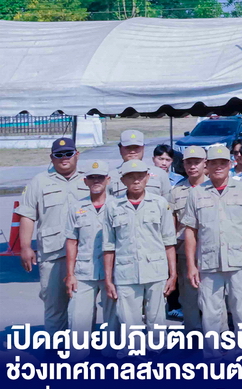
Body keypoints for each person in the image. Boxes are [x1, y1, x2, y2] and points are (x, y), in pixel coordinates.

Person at [181, 146, 242, 359]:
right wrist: (191, 265)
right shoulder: (196, 193)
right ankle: (213, 354)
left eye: (223, 163)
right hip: (209, 262)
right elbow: (190, 231)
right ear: (206, 166)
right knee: (210, 312)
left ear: (231, 164)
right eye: (214, 163)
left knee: (241, 310)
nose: (218, 167)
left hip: (239, 260)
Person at [18, 137, 89, 333]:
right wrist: (25, 247)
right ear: (52, 158)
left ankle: (82, 345)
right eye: (59, 155)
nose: (64, 158)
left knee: (83, 306)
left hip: (85, 253)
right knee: (54, 306)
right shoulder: (39, 182)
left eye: (68, 153)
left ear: (77, 155)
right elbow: (27, 215)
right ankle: (55, 346)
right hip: (53, 254)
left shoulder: (89, 179)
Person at [102, 160, 177, 343]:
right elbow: (109, 246)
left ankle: (156, 352)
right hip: (126, 272)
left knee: (156, 319)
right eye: (131, 177)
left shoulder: (160, 203)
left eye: (140, 176)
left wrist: (173, 274)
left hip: (156, 271)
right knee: (128, 320)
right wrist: (108, 279)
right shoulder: (113, 206)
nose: (136, 181)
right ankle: (133, 354)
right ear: (123, 180)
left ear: (147, 178)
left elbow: (169, 242)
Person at [64, 160, 117, 347]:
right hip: (84, 271)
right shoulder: (76, 208)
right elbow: (72, 242)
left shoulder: (118, 206)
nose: (96, 181)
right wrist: (70, 274)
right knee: (78, 318)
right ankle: (78, 357)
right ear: (85, 181)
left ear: (108, 180)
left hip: (113, 272)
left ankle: (113, 355)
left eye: (100, 177)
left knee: (114, 321)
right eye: (92, 178)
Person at [169, 146, 207, 332]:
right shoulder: (176, 191)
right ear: (183, 164)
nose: (192, 166)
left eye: (196, 162)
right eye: (188, 163)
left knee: (212, 296)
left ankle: (214, 334)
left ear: (205, 164)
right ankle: (192, 333)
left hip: (210, 249)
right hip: (185, 251)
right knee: (189, 296)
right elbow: (172, 225)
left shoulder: (213, 186)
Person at [108, 130, 172, 201]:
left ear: (143, 148)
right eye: (128, 147)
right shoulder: (111, 177)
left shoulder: (160, 174)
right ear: (120, 149)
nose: (132, 151)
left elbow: (168, 202)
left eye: (136, 147)